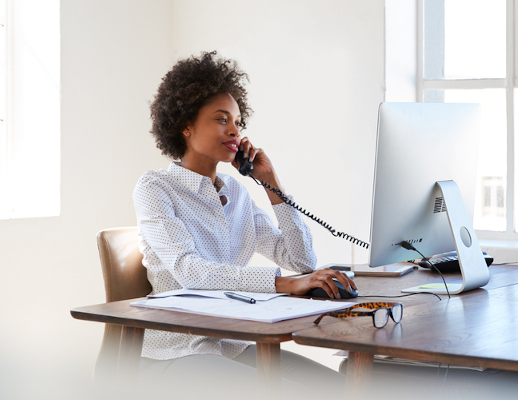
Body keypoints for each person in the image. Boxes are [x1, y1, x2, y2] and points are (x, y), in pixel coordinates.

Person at [132, 51, 355, 396]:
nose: (235, 130)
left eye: (237, 121)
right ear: (186, 125)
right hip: (174, 353)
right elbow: (191, 272)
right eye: (222, 120)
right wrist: (285, 285)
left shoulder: (235, 191)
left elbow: (301, 261)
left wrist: (272, 185)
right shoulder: (155, 188)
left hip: (229, 345)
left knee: (339, 387)